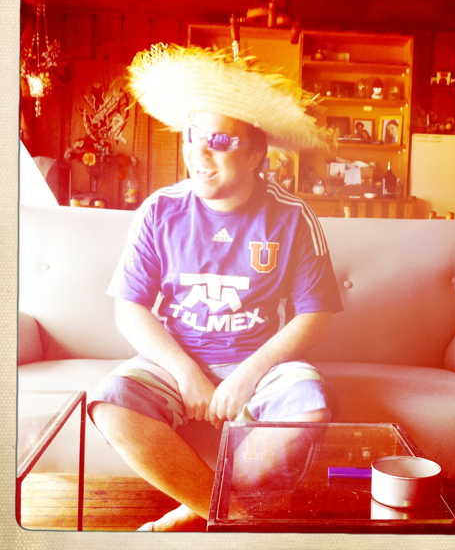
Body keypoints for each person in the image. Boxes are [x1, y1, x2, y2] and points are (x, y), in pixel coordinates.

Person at [87, 43, 343, 531]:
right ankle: (233, 520)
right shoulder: (160, 211)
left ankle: (196, 510)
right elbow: (129, 309)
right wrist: (186, 373)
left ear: (256, 154)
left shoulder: (293, 217)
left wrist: (247, 376)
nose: (199, 154)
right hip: (176, 359)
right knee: (109, 404)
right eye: (193, 136)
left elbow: (316, 316)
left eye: (221, 141)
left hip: (257, 360)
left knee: (310, 406)